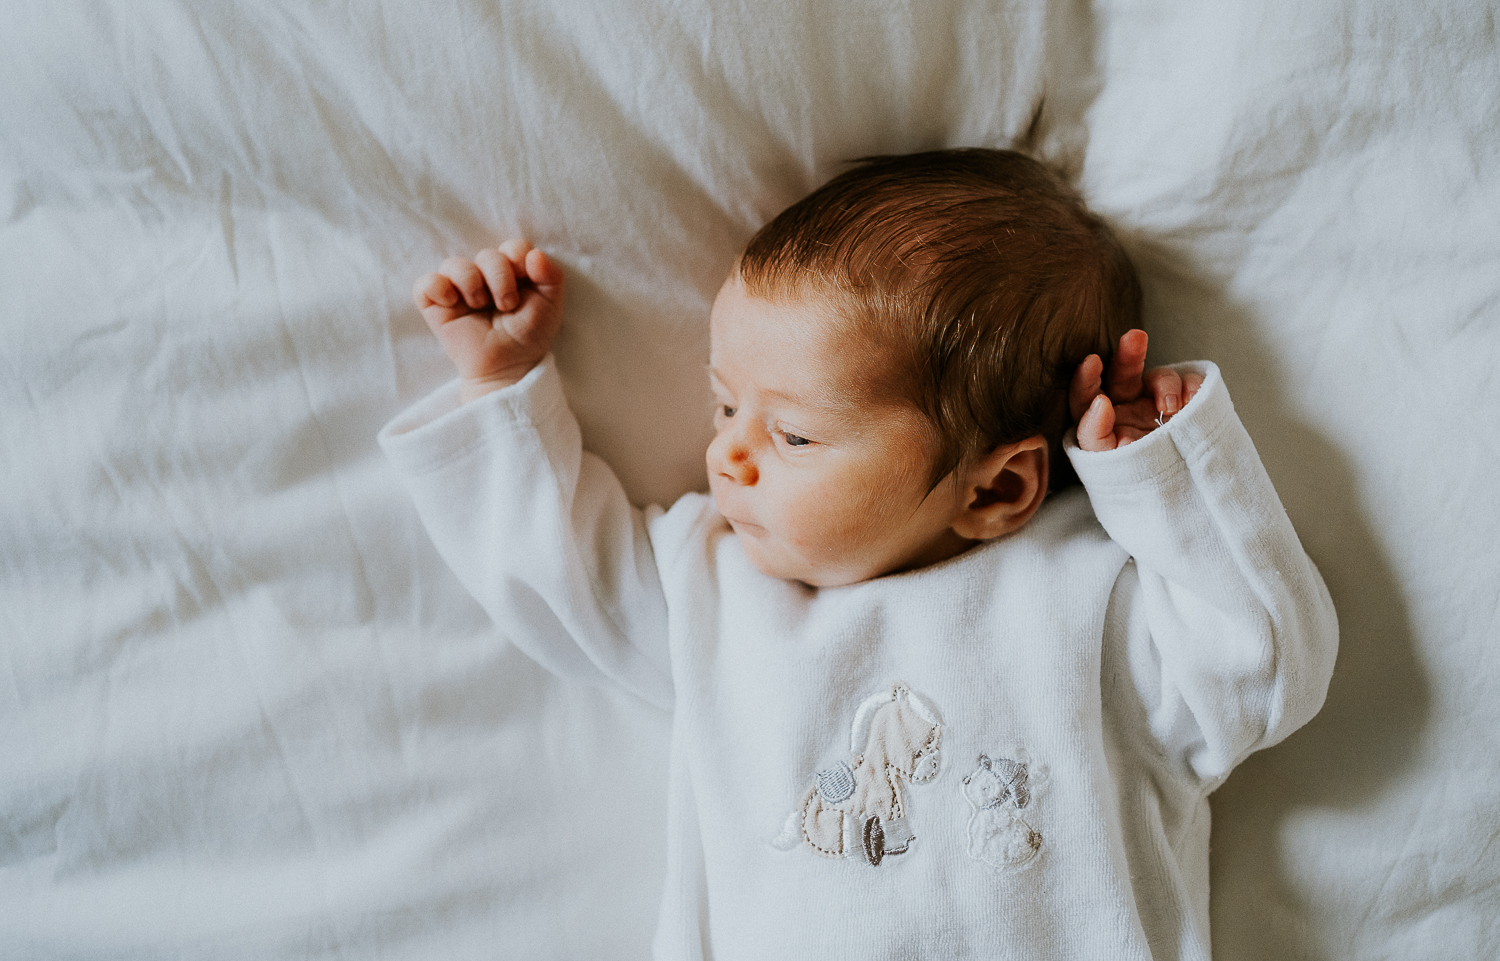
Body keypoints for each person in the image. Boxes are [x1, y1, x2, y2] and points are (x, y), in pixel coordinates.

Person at [379, 149, 1337, 960]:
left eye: (793, 436)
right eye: (724, 405)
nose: (729, 454)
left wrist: (1160, 475)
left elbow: (1263, 664)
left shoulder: (1091, 602)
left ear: (999, 488)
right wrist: (503, 387)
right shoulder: (714, 589)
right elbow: (559, 579)